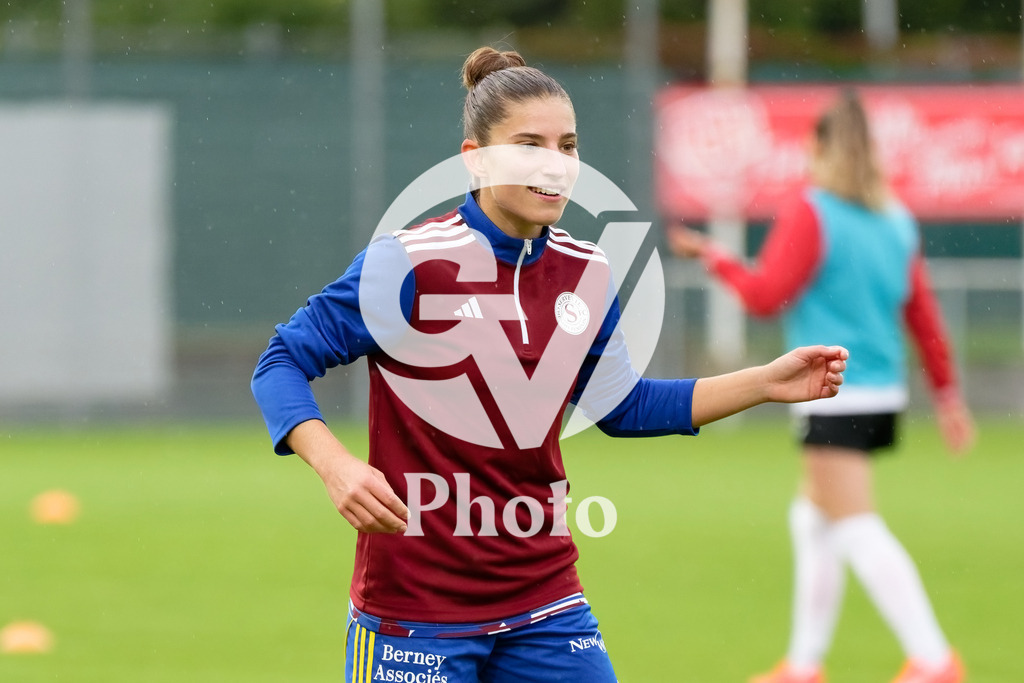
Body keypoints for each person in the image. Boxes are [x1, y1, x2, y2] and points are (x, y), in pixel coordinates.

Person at [251, 46, 848, 683]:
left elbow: (624, 407)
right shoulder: (410, 263)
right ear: (475, 159)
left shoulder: (585, 271)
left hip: (545, 603)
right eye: (529, 145)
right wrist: (335, 465)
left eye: (567, 146)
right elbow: (281, 361)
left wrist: (764, 383)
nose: (555, 164)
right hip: (416, 611)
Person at [668, 89, 975, 683]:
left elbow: (764, 296)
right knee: (813, 518)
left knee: (855, 524)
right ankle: (804, 665)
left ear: (819, 147)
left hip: (835, 391)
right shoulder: (895, 219)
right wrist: (947, 395)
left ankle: (935, 659)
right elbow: (923, 314)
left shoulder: (813, 211)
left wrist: (713, 256)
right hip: (881, 392)